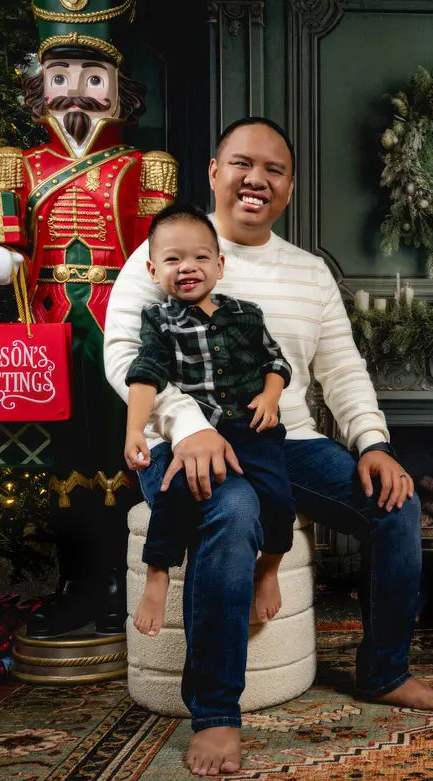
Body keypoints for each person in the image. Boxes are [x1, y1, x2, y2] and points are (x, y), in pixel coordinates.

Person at [103, 117, 433, 777]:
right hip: (180, 442)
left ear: (289, 187)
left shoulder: (309, 273)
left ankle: (383, 671)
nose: (255, 179)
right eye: (241, 163)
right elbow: (126, 357)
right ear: (213, 171)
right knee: (232, 509)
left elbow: (342, 370)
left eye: (273, 169)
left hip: (282, 439)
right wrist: (188, 424)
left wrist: (373, 443)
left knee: (395, 504)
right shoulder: (164, 253)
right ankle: (215, 712)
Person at [0, 0, 176, 638]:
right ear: (41, 86)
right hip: (47, 324)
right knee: (60, 451)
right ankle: (76, 581)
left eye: (94, 79)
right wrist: (2, 256)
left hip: (118, 323)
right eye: (61, 75)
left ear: (120, 92)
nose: (78, 93)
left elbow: (159, 252)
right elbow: (3, 238)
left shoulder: (144, 167)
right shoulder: (20, 163)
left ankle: (122, 578)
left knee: (128, 445)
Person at [123, 203, 295, 637]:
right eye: (173, 259)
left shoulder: (247, 315)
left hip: (253, 431)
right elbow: (145, 374)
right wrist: (133, 431)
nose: (187, 267)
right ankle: (158, 572)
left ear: (219, 265)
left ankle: (269, 568)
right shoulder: (159, 322)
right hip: (198, 437)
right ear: (152, 269)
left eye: (200, 257)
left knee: (278, 499)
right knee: (174, 487)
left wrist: (270, 397)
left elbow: (277, 362)